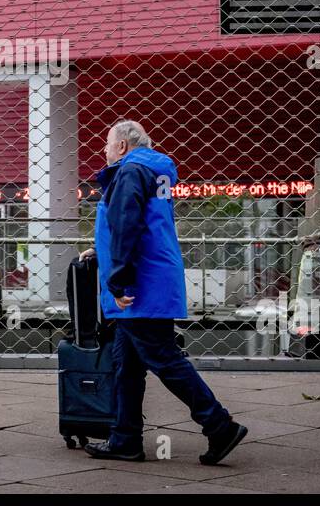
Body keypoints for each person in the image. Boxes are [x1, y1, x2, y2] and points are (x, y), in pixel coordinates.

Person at [83, 120, 248, 464]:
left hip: (140, 285)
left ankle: (219, 424)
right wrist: (102, 251)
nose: (104, 150)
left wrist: (117, 280)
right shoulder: (155, 172)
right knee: (125, 365)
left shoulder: (129, 172)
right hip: (154, 276)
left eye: (108, 144)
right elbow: (147, 226)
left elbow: (127, 226)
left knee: (164, 359)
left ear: (124, 146)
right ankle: (124, 439)